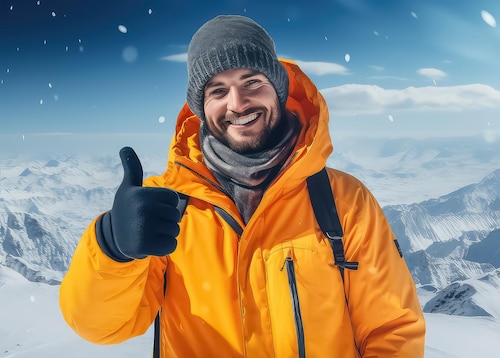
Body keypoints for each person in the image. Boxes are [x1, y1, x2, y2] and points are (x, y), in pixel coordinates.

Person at [59, 15, 426, 357]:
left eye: (252, 82)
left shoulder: (343, 200)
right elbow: (101, 327)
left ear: (278, 90)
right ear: (201, 107)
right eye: (217, 91)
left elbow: (391, 329)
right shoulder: (160, 205)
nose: (237, 104)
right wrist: (111, 248)